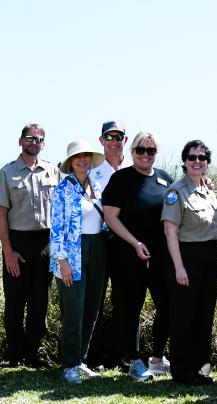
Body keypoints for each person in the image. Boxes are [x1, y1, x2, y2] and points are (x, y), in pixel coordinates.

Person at [102, 131, 173, 381]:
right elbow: (110, 217)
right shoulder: (121, 179)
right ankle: (134, 362)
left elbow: (177, 208)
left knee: (166, 304)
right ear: (131, 152)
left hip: (159, 256)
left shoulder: (165, 179)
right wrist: (135, 243)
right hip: (128, 253)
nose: (145, 155)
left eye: (150, 151)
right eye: (140, 150)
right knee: (130, 308)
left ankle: (156, 359)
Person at [0, 123, 60, 368]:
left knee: (39, 300)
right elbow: (1, 215)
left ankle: (35, 351)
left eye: (39, 139)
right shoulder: (7, 173)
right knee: (15, 300)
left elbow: (61, 210)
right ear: (20, 141)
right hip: (18, 242)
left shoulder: (53, 172)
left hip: (45, 242)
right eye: (30, 138)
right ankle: (15, 351)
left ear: (43, 143)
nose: (34, 142)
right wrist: (8, 251)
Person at [162, 140, 217, 386]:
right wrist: (179, 267)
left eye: (201, 157)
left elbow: (216, 226)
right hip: (186, 258)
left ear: (207, 162)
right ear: (184, 162)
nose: (197, 161)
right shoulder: (176, 191)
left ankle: (201, 368)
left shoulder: (209, 191)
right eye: (192, 157)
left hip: (210, 258)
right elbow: (170, 232)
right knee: (184, 315)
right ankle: (183, 370)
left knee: (204, 315)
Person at [49, 140, 107, 383]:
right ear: (71, 162)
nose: (83, 160)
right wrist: (62, 261)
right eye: (77, 157)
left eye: (86, 156)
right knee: (74, 308)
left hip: (98, 249)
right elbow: (56, 228)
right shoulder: (62, 190)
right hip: (73, 252)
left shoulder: (99, 186)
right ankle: (69, 364)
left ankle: (80, 360)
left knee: (92, 306)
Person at [84, 120, 132, 370]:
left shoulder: (136, 168)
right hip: (100, 241)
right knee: (96, 298)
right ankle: (93, 357)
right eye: (109, 137)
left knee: (124, 300)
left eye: (119, 137)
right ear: (101, 140)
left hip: (126, 243)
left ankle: (121, 356)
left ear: (126, 140)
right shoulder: (91, 170)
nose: (114, 142)